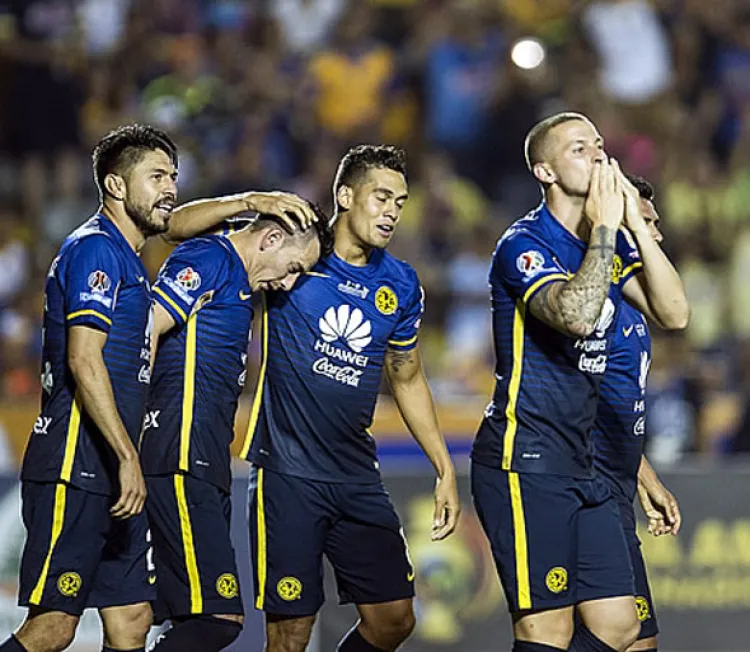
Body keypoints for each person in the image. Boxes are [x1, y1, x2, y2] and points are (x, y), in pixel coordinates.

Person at [166, 144, 461, 652]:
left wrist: (444, 466)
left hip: (356, 474)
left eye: (401, 201)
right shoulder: (295, 257)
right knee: (290, 633)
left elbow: (407, 377)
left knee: (394, 619)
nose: (392, 210)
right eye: (382, 197)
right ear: (345, 195)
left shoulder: (401, 283)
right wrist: (249, 200)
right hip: (287, 475)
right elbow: (174, 225)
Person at [470, 112, 689, 652]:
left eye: (597, 146)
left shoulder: (607, 244)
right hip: (526, 458)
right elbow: (575, 314)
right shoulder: (524, 244)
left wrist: (633, 224)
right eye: (577, 149)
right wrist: (609, 231)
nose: (595, 155)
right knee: (548, 630)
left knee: (621, 627)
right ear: (545, 171)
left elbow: (676, 313)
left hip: (584, 461)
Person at [0, 124, 178, 652]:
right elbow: (83, 358)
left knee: (131, 620)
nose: (170, 187)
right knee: (54, 627)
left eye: (173, 175)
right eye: (156, 176)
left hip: (113, 473)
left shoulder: (131, 260)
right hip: (75, 465)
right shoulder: (95, 250)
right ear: (116, 186)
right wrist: (126, 455)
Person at [141, 208, 333, 652]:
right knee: (218, 618)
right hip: (177, 455)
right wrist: (128, 430)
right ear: (270, 238)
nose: (287, 284)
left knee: (139, 618)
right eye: (292, 269)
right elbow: (145, 329)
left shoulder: (239, 276)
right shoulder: (211, 258)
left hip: (203, 462)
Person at [582, 176, 682, 652]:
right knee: (614, 632)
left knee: (641, 642)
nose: (656, 234)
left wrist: (644, 477)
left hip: (618, 482)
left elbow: (612, 406)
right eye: (647, 222)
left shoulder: (633, 307)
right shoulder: (588, 300)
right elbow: (575, 398)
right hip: (586, 483)